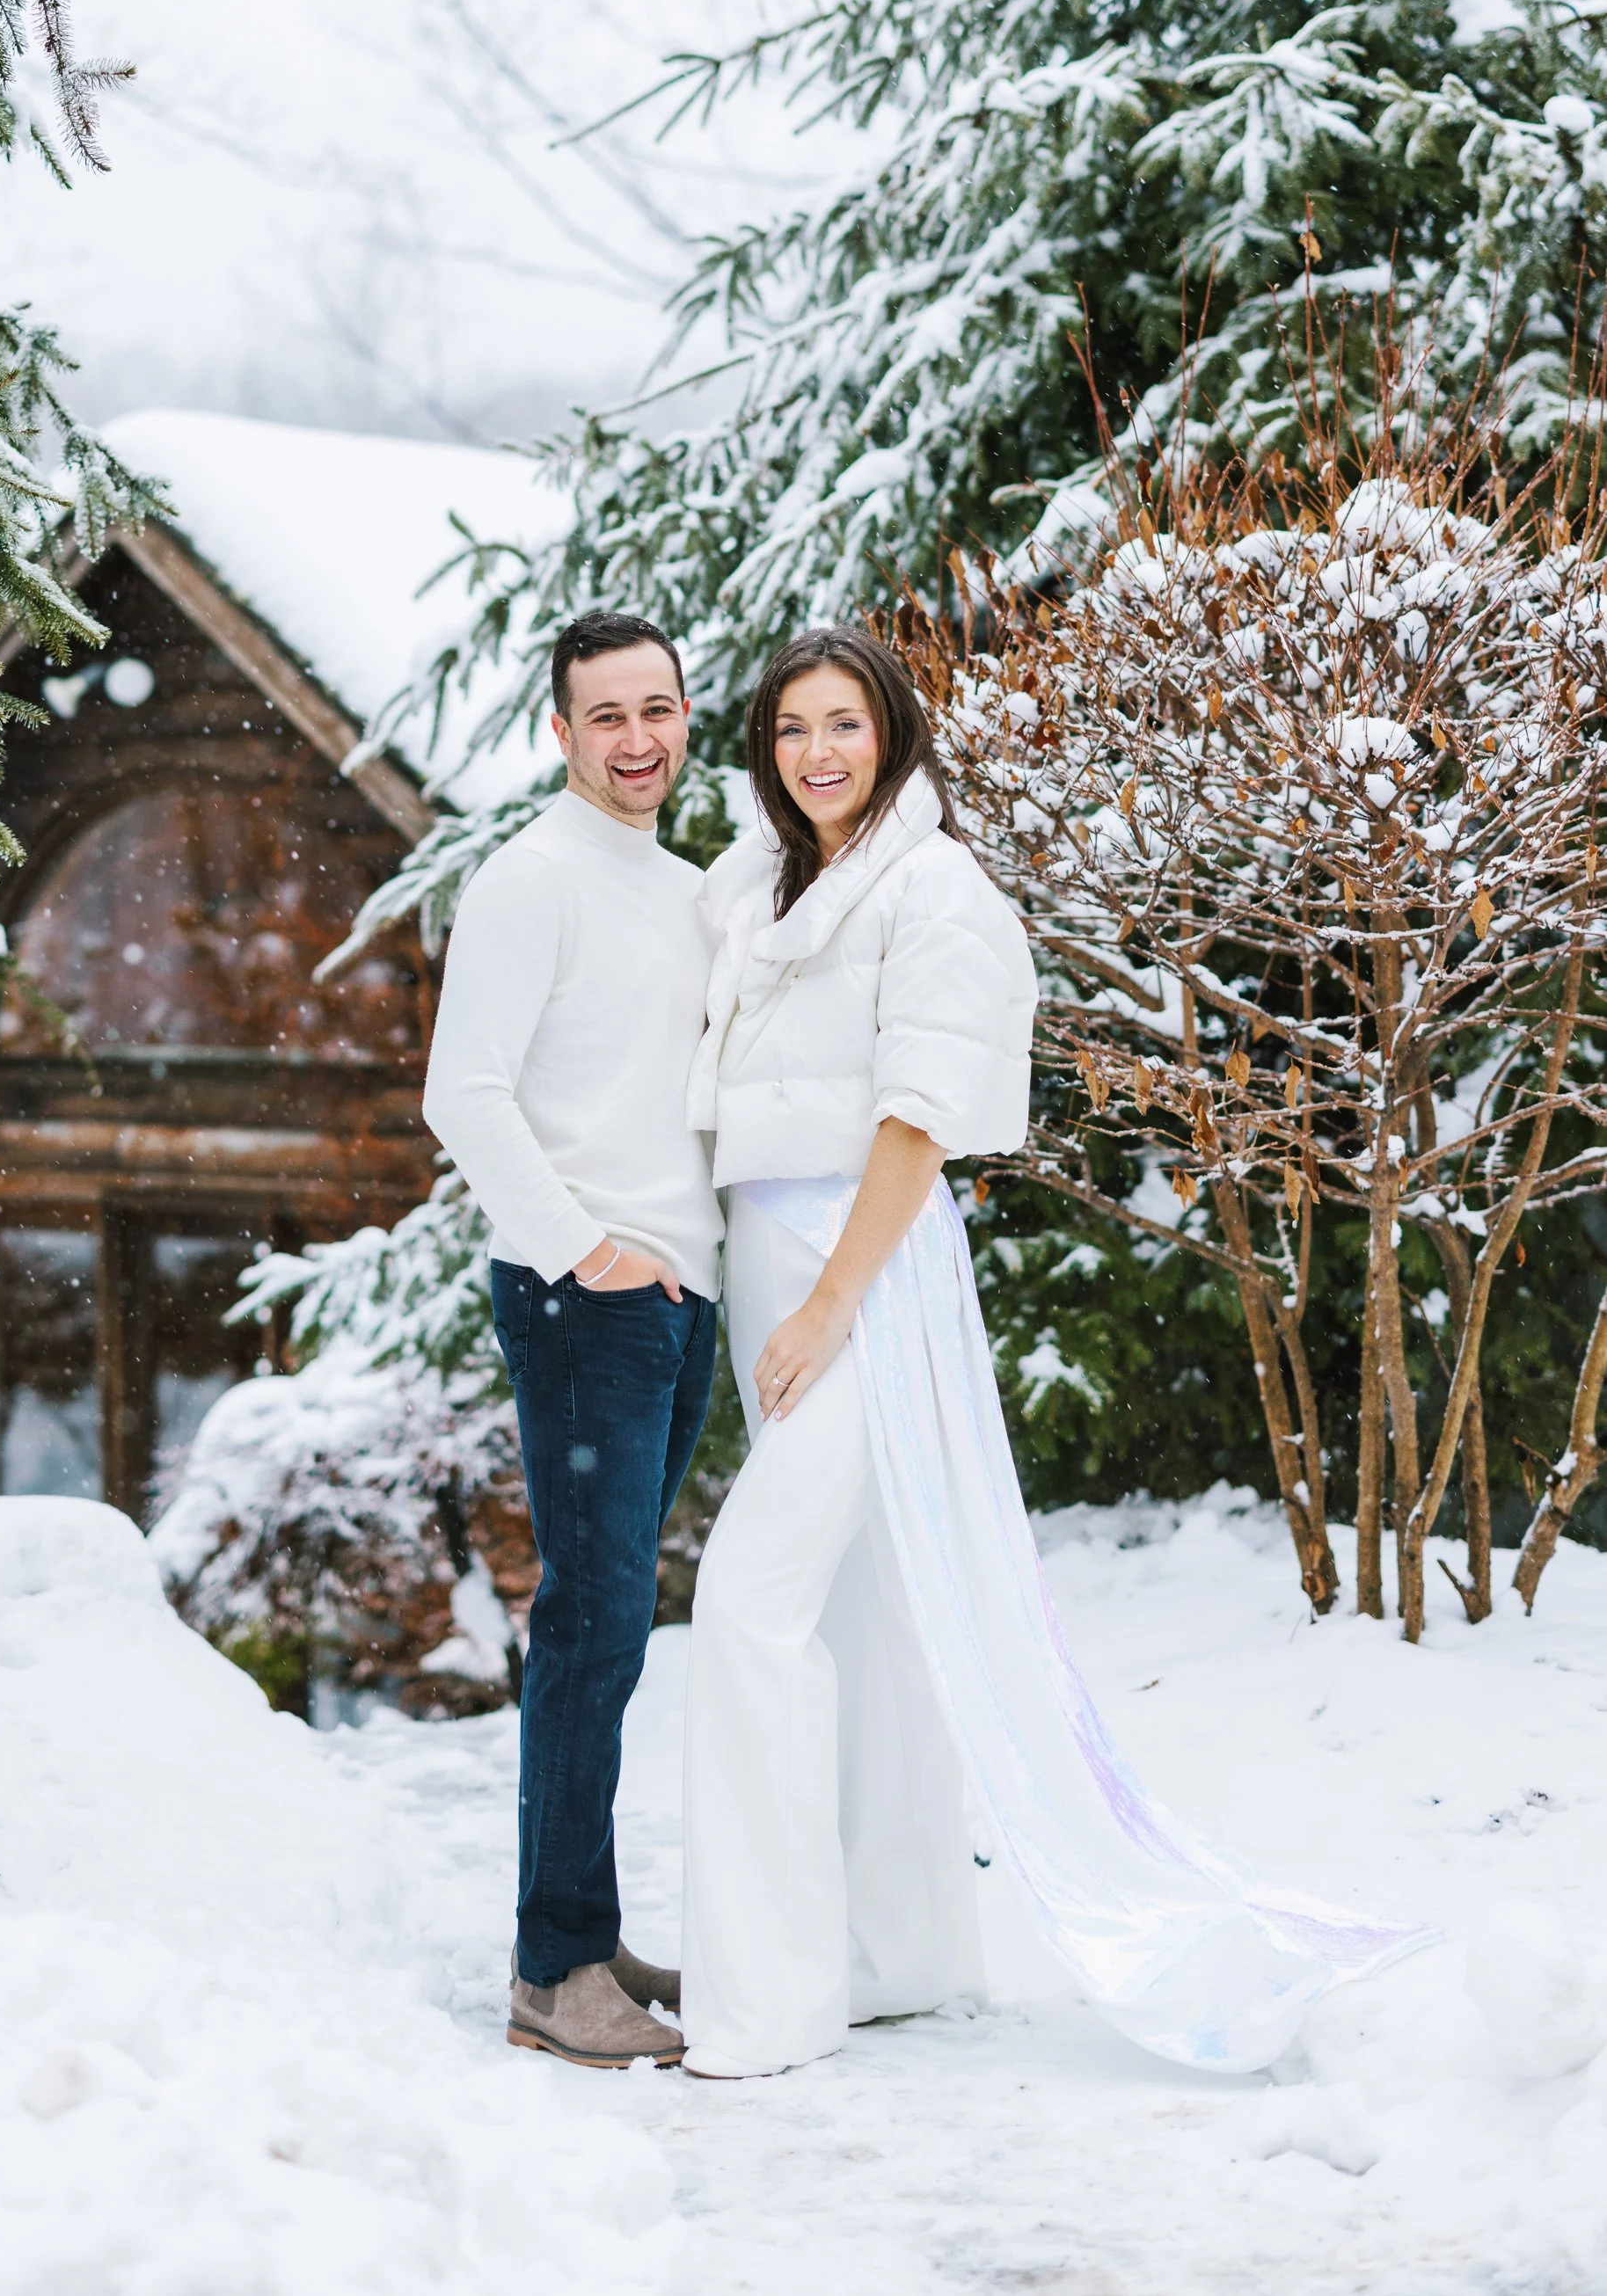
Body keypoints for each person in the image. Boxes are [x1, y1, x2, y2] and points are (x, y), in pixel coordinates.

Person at [679, 625, 1431, 2081]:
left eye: (843, 724)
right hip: (763, 1257)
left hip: (863, 1270)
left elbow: (917, 1116)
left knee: (748, 1608)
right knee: (857, 1611)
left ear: (893, 734)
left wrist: (834, 1304)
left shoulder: (933, 887)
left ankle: (763, 2005)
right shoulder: (762, 886)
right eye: (788, 730)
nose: (815, 752)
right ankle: (897, 1954)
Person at [423, 608, 721, 2072]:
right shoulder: (528, 881)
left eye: (657, 708)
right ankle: (553, 1970)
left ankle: (589, 1929)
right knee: (588, 1631)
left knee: (610, 1636)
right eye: (606, 715)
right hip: (584, 1297)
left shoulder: (677, 890)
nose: (637, 740)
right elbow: (461, 1093)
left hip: (673, 1297)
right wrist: (587, 1251)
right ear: (560, 731)